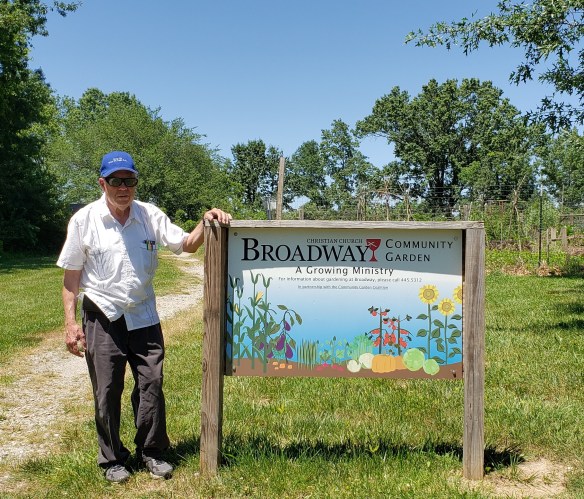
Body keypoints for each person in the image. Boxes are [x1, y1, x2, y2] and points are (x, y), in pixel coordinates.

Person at [56, 151, 231, 483]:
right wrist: (70, 324)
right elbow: (71, 277)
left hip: (144, 315)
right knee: (107, 390)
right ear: (102, 183)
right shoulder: (84, 219)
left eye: (130, 180)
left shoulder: (149, 215)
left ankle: (151, 452)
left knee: (151, 384)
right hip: (102, 315)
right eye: (116, 181)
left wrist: (206, 220)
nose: (124, 187)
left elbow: (186, 245)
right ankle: (111, 459)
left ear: (136, 182)